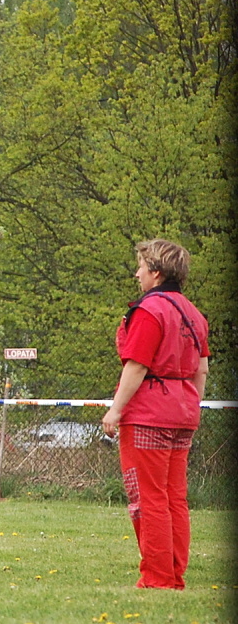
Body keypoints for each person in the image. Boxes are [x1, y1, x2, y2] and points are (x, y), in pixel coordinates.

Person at [102, 239, 209, 590]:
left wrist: (115, 410)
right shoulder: (193, 314)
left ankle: (158, 577)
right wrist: (191, 406)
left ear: (157, 272)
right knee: (174, 497)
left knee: (147, 497)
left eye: (142, 267)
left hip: (149, 413)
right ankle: (175, 572)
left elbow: (137, 366)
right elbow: (202, 370)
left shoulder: (150, 311)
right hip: (183, 412)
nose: (137, 273)